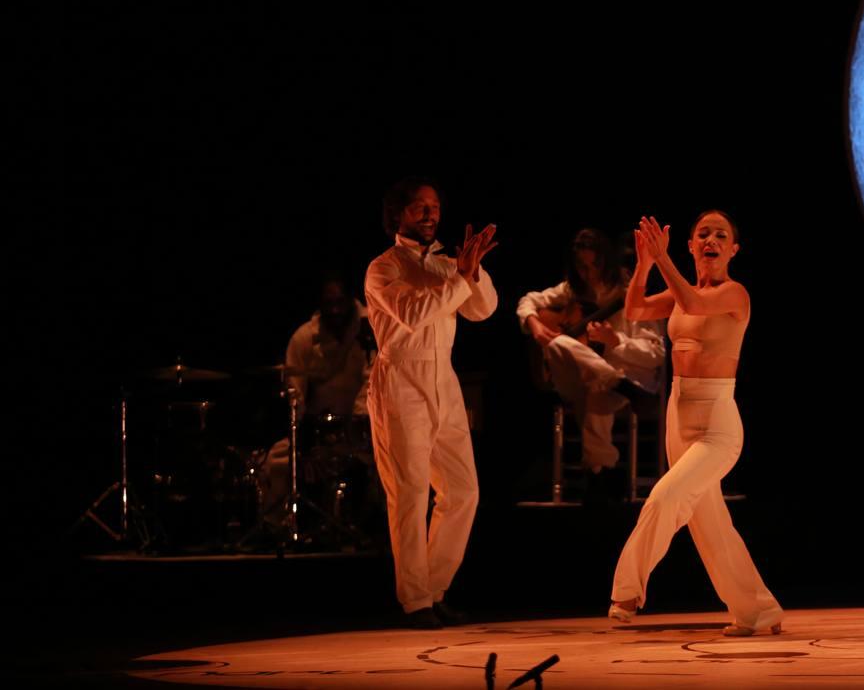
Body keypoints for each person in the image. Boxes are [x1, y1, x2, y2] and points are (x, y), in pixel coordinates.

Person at [609, 211, 783, 636]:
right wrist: (646, 262)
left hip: (718, 423)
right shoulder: (681, 290)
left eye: (720, 234)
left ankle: (627, 590)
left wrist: (664, 259)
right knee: (712, 527)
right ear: (691, 246)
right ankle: (758, 611)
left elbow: (692, 303)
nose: (711, 239)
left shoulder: (734, 294)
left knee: (666, 497)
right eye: (702, 233)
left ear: (733, 249)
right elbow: (633, 308)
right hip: (678, 414)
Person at [364, 176, 498, 629]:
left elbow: (483, 310)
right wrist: (459, 276)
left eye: (435, 206)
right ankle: (415, 600)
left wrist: (470, 272)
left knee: (462, 491)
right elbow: (416, 314)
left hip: (445, 377)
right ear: (398, 214)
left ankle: (433, 588)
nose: (430, 214)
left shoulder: (447, 263)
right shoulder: (384, 268)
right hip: (401, 378)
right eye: (419, 207)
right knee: (410, 493)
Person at [517, 229, 665, 499]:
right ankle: (611, 380)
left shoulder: (632, 292)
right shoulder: (572, 290)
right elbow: (527, 301)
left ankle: (598, 473)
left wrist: (615, 340)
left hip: (631, 378)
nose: (589, 273)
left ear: (606, 261)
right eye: (581, 267)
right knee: (556, 342)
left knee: (596, 390)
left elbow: (656, 353)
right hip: (598, 381)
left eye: (594, 265)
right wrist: (534, 323)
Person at [257, 275, 375, 531]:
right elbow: (294, 389)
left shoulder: (371, 327)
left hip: (363, 428)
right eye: (328, 303)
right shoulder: (305, 338)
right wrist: (303, 432)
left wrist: (358, 418)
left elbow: (373, 377)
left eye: (340, 302)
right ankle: (282, 527)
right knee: (277, 463)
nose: (335, 310)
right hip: (320, 432)